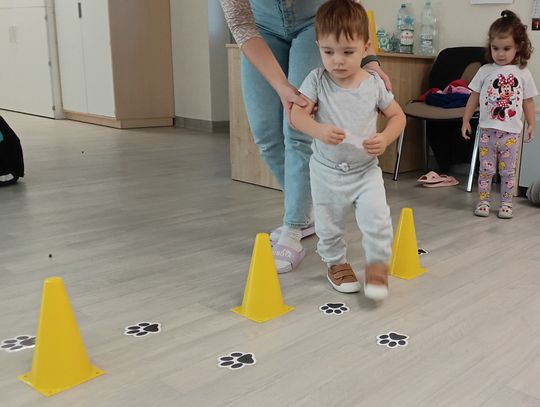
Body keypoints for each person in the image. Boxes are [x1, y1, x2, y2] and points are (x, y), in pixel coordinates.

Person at [219, 0, 391, 274]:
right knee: (265, 133)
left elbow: (352, 5)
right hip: (260, 27)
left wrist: (369, 60)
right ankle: (304, 211)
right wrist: (280, 85)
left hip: (316, 22)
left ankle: (293, 229)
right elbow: (241, 23)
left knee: (298, 131)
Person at [290, 0, 405, 300]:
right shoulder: (317, 80)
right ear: (318, 46)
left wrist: (385, 138)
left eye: (348, 52)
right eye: (328, 52)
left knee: (377, 219)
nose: (337, 61)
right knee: (328, 225)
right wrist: (318, 130)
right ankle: (336, 263)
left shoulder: (374, 84)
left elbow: (398, 116)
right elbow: (296, 115)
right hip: (326, 172)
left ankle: (377, 265)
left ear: (366, 48)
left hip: (365, 171)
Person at [462, 10, 537, 219]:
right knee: (485, 170)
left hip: (511, 134)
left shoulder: (523, 73)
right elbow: (473, 97)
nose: (500, 54)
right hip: (487, 131)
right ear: (490, 47)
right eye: (495, 48)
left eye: (506, 48)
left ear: (518, 47)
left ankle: (506, 204)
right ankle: (484, 201)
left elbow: (528, 101)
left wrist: (531, 124)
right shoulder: (485, 71)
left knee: (507, 172)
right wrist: (466, 119)